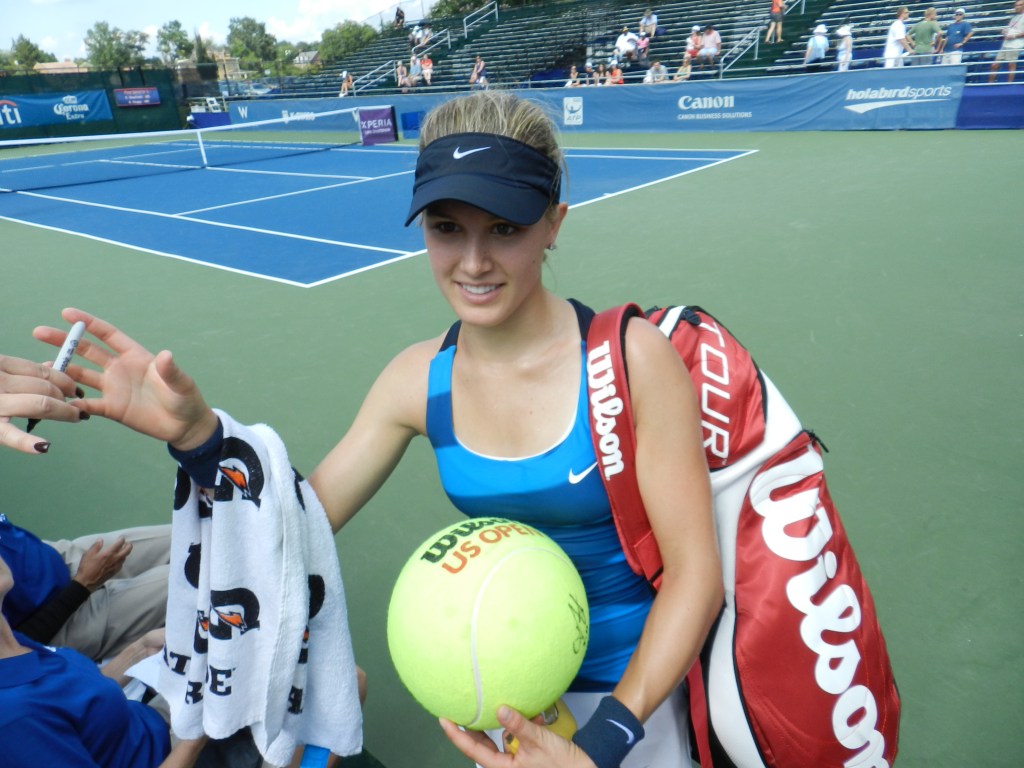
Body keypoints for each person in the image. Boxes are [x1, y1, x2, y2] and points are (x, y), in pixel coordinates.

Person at [33, 90, 723, 768]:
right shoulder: (418, 379)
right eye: (447, 228)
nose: (474, 262)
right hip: (506, 700)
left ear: (554, 223)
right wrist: (201, 439)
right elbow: (296, 528)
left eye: (505, 229)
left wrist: (600, 747)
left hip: (635, 698)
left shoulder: (630, 358)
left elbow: (696, 577)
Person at [0, 551, 209, 768]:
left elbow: (76, 700)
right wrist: (197, 732)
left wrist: (141, 648)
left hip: (154, 727)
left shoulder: (10, 642)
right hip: (177, 751)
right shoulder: (13, 719)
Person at [1, 512, 170, 661]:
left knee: (188, 538)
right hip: (59, 620)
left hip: (57, 558)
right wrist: (82, 584)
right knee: (185, 580)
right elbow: (9, 648)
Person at [989, 0, 1024, 82]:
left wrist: (1014, 36)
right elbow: (1010, 28)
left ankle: (1009, 84)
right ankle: (990, 84)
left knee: (1011, 65)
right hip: (1006, 43)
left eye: (1018, 5)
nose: (1016, 7)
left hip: (1016, 44)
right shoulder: (1014, 17)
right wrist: (1004, 31)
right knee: (994, 65)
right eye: (1015, 5)